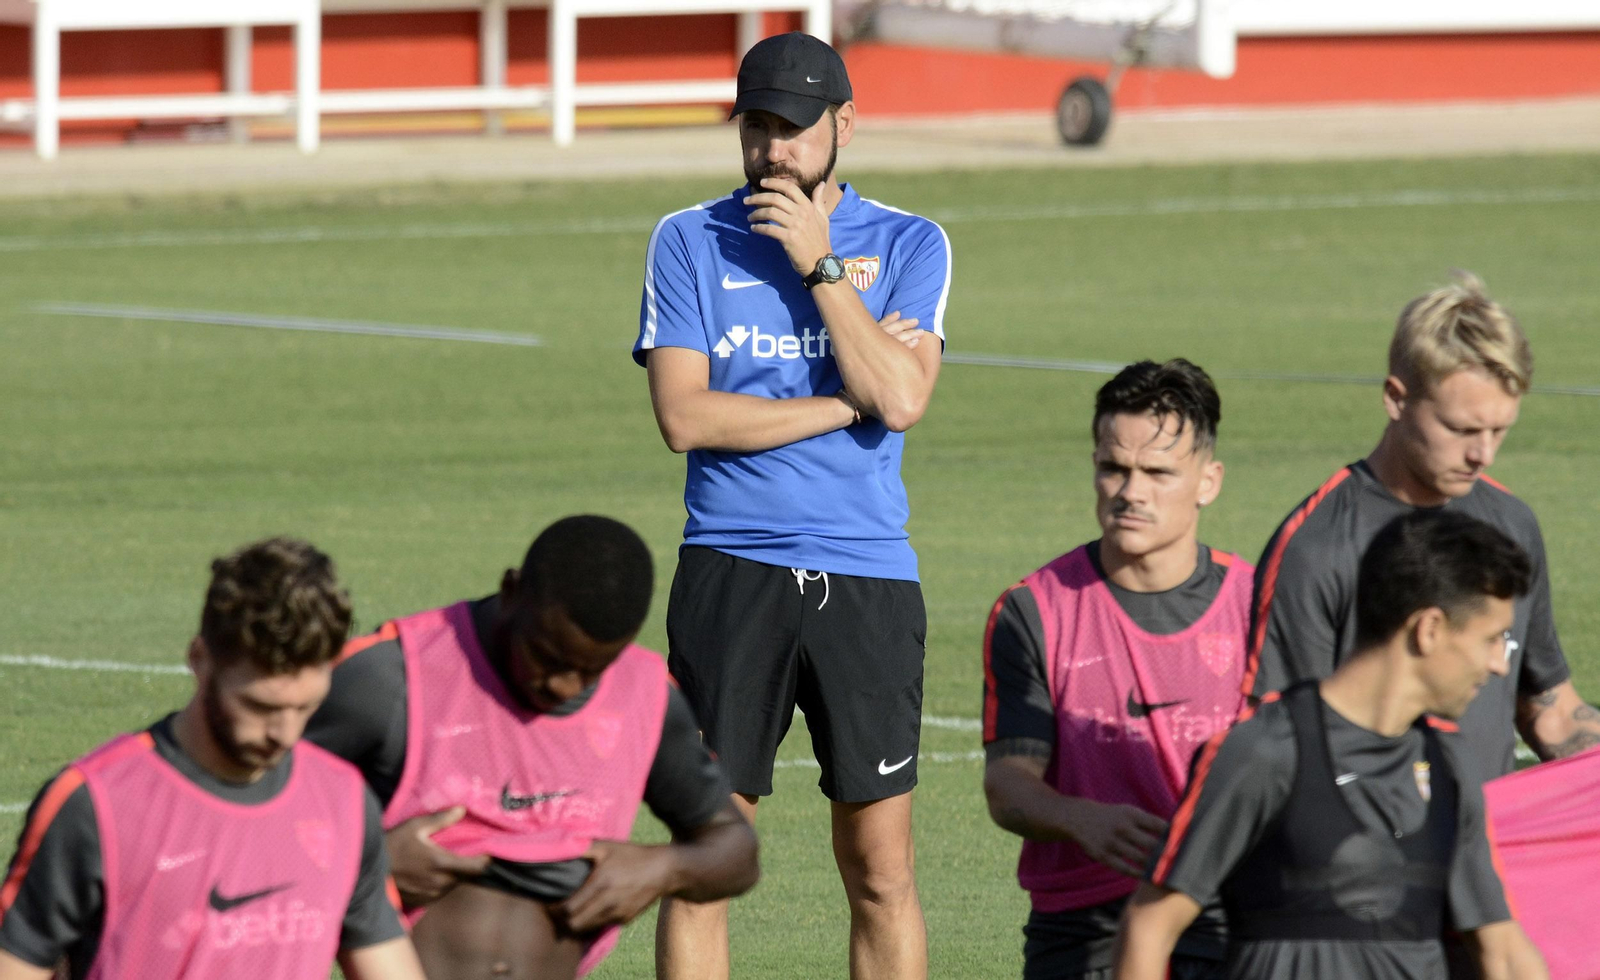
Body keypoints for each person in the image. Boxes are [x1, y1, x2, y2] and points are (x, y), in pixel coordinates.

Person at [633, 29, 950, 980]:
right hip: (731, 568)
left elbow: (903, 399)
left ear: (845, 124)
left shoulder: (910, 243)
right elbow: (686, 417)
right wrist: (843, 403)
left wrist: (819, 265)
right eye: (757, 127)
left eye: (795, 128)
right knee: (706, 863)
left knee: (881, 872)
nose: (773, 149)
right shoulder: (688, 239)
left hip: (867, 576)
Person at [302, 514, 759, 980]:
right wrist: (371, 865)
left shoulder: (644, 696)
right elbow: (263, 822)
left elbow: (737, 851)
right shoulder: (391, 677)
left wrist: (663, 868)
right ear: (511, 591)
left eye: (590, 672)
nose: (564, 686)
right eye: (547, 656)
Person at [1116, 510, 1550, 980]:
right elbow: (1149, 927)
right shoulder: (1266, 750)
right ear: (1428, 630)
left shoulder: (1449, 760)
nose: (1500, 664)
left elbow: (1502, 950)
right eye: (1492, 639)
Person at [0, 538, 423, 980]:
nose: (284, 733)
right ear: (200, 659)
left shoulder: (343, 800)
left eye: (306, 706)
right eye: (259, 706)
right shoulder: (97, 804)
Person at [1240, 272, 1600, 784]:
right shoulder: (1317, 547)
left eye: (1500, 430)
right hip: (1368, 834)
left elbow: (1551, 711)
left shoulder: (1511, 525)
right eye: (1461, 429)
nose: (1483, 454)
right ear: (1396, 398)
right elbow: (1281, 745)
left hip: (1488, 833)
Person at [982, 359, 1250, 980]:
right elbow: (1008, 785)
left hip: (1228, 915)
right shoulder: (1034, 610)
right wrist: (1080, 819)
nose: (1132, 492)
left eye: (1158, 473)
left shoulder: (1259, 606)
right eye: (1114, 468)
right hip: (1085, 928)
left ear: (1208, 481)